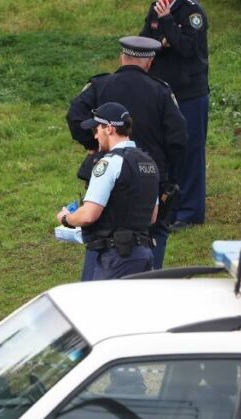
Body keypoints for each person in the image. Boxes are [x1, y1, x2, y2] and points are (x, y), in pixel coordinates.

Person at [67, 36, 186, 275]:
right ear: (150, 61)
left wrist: (96, 146)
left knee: (101, 233)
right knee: (152, 234)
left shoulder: (101, 85)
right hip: (151, 176)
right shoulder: (161, 91)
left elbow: (74, 116)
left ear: (123, 57)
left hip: (109, 172)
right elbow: (179, 139)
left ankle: (92, 289)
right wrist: (161, 165)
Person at [56, 103, 160, 280]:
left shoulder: (109, 163)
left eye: (97, 129)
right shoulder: (148, 162)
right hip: (144, 254)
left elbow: (89, 215)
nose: (95, 136)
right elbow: (152, 216)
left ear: (109, 129)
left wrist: (66, 219)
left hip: (116, 258)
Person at [140, 0, 209, 229]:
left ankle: (190, 213)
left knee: (190, 151)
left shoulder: (192, 12)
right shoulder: (155, 7)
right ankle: (170, 208)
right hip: (162, 92)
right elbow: (146, 43)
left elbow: (188, 48)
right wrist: (167, 40)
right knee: (166, 151)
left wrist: (168, 23)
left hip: (189, 94)